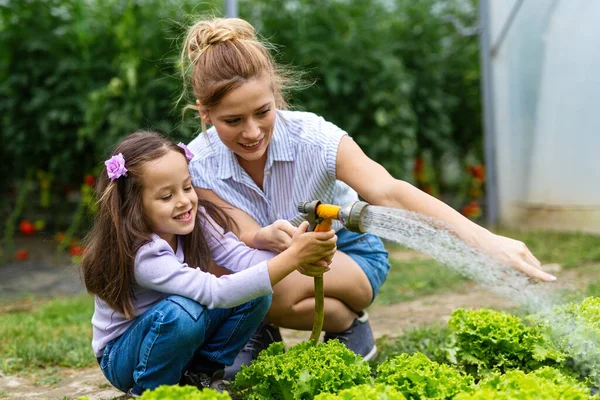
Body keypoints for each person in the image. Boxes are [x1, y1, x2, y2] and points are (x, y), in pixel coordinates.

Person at [180, 17, 557, 378]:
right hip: (269, 261)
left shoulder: (313, 138)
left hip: (348, 254)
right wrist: (267, 238)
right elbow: (243, 235)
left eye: (263, 112)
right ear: (206, 113)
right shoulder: (200, 164)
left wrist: (486, 241)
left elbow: (388, 190)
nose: (252, 132)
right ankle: (270, 326)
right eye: (233, 121)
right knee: (236, 271)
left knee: (262, 285)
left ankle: (341, 322)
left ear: (275, 95)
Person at [80, 131, 337, 397]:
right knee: (181, 313)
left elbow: (243, 260)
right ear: (134, 206)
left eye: (187, 187)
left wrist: (295, 254)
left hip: (174, 332)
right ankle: (151, 391)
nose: (184, 201)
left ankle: (201, 375)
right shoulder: (143, 255)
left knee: (254, 295)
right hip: (124, 357)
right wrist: (293, 257)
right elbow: (216, 292)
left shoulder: (198, 220)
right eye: (166, 197)